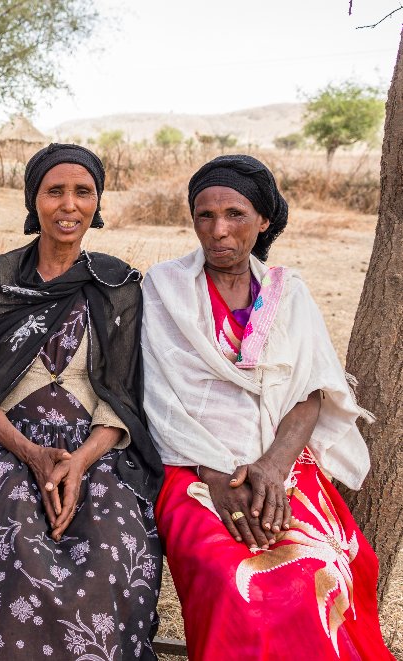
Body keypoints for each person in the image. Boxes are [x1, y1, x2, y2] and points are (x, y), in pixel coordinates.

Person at [142, 154, 394, 660]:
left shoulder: (290, 294)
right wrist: (215, 481)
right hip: (190, 466)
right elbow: (160, 399)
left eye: (235, 214)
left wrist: (272, 471)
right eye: (205, 216)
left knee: (328, 565)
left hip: (279, 463)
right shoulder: (163, 288)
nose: (218, 230)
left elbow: (311, 393)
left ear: (263, 221)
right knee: (231, 578)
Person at [0, 144, 163, 661]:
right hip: (8, 442)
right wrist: (33, 455)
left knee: (110, 549)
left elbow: (122, 394)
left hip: (96, 448)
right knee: (10, 547)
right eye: (54, 191)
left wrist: (79, 462)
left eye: (83, 192)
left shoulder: (118, 283)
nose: (69, 205)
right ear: (32, 200)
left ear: (97, 203)